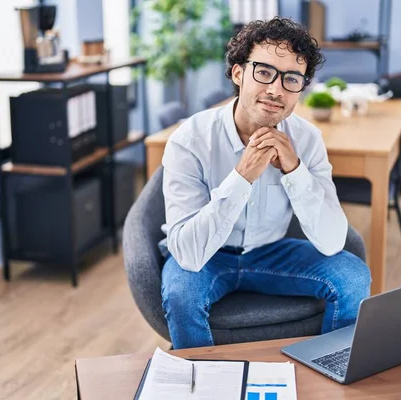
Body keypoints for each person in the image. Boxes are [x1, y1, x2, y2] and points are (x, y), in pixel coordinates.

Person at [158, 17, 371, 350]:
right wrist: (242, 176)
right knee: (181, 294)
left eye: (291, 79)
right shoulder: (190, 140)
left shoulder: (308, 139)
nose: (276, 89)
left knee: (354, 277)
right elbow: (187, 254)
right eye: (264, 71)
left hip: (274, 252)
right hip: (208, 255)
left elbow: (331, 242)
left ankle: (332, 370)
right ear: (238, 73)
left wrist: (295, 171)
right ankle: (203, 383)